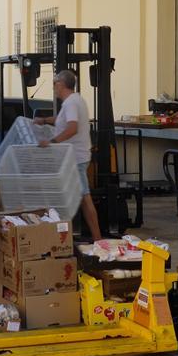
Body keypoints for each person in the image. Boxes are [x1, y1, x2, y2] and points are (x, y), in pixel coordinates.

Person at [36, 70, 102, 242]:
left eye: (54, 83)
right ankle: (63, 237)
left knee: (84, 197)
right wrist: (44, 120)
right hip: (72, 158)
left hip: (75, 159)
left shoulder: (71, 103)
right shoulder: (74, 101)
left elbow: (72, 127)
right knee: (72, 197)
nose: (53, 87)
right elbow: (62, 120)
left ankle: (98, 239)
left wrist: (52, 142)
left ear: (61, 84)